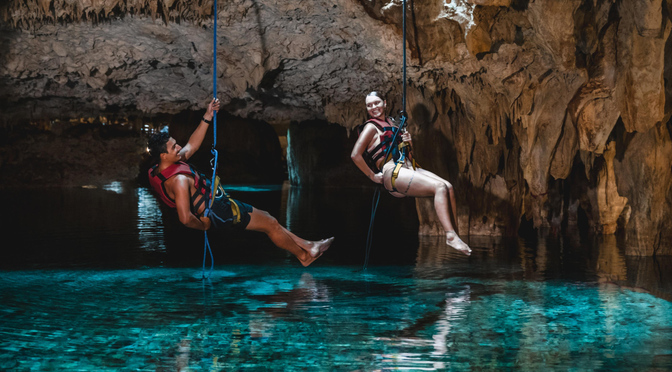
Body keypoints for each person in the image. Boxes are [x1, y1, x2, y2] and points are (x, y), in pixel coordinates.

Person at [147, 98, 333, 266]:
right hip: (218, 212)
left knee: (269, 219)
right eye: (174, 147)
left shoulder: (159, 169)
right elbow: (185, 218)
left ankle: (309, 246)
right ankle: (304, 256)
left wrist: (207, 116)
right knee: (270, 225)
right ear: (163, 155)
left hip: (218, 205)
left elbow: (192, 145)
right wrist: (203, 225)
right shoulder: (178, 180)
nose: (179, 147)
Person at [350, 91, 471, 255]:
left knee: (449, 187)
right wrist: (372, 176)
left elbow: (410, 155)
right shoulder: (371, 127)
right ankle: (450, 236)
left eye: (376, 103)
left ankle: (455, 233)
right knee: (439, 187)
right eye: (369, 105)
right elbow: (355, 155)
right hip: (391, 172)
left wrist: (409, 142)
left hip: (407, 167)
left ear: (385, 103)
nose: (373, 107)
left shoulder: (394, 124)